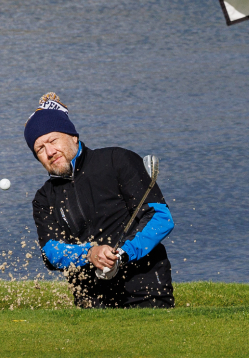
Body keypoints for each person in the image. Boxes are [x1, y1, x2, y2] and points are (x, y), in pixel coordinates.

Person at [24, 92, 175, 308]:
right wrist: (90, 254)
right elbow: (50, 252)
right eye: (39, 149)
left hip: (146, 292)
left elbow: (161, 218)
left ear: (72, 136)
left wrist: (122, 254)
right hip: (91, 302)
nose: (49, 152)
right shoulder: (44, 198)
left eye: (53, 140)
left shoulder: (117, 161)